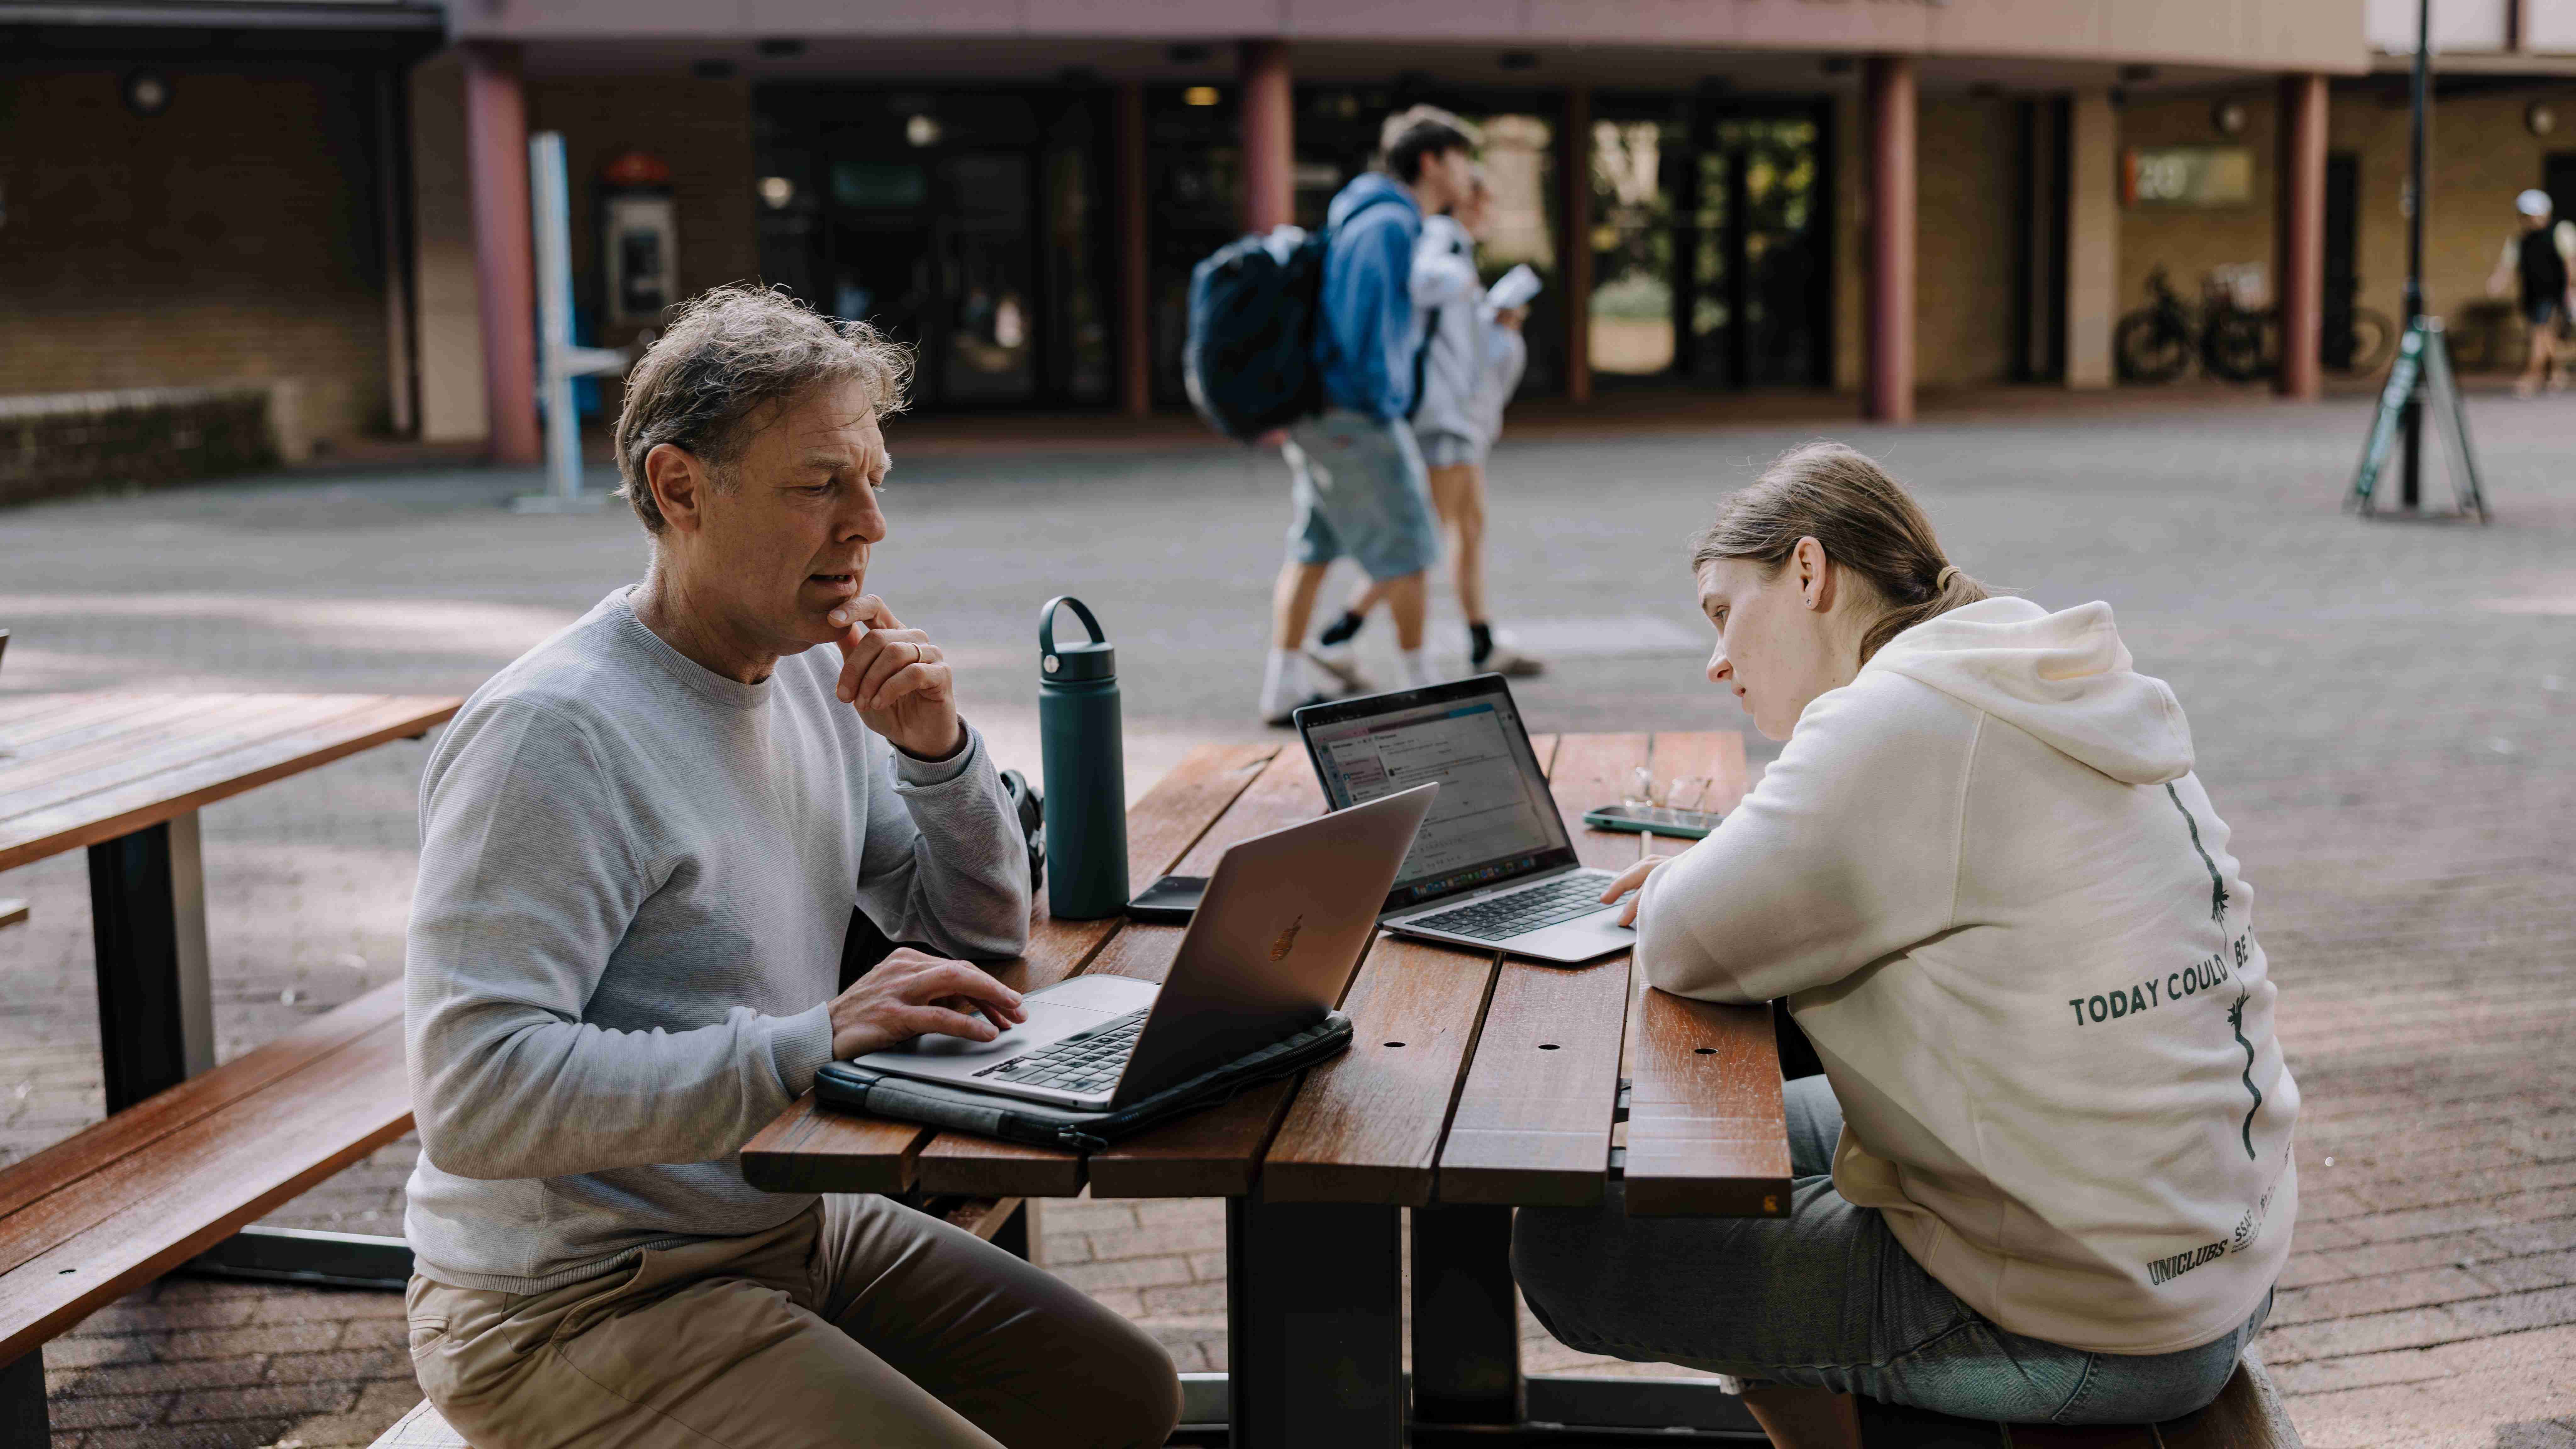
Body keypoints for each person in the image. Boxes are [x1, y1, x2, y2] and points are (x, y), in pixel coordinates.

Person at [401, 285, 1180, 1449]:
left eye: (874, 481)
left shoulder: (811, 671)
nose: (866, 525)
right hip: (568, 1301)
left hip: (780, 1223)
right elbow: (474, 1095)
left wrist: (937, 756)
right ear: (679, 488)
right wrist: (806, 1041)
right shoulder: (552, 735)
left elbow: (966, 943)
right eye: (821, 484)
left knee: (1120, 1394)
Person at [1513, 443, 2299, 1445]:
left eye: (1721, 611)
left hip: (2088, 1321)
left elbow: (1680, 941)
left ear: (1809, 572)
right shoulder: (2029, 671)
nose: (1715, 660)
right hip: (2219, 1260)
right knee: (1704, 1132)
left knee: (1570, 1242)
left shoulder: (1896, 718)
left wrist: (1680, 877)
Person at [1258, 109, 1477, 726]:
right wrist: (1383, 402)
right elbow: (1362, 329)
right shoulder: (1387, 225)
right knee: (1410, 547)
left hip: (1324, 413)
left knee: (1314, 546)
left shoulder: (1369, 216)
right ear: (1431, 161)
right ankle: (1421, 691)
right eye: (1462, 159)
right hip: (1353, 414)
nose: (1470, 173)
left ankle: (1282, 686)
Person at [1313, 164, 1545, 682]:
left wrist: (1492, 317)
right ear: (1468, 201)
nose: (1492, 213)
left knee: (1469, 525)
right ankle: (1339, 632)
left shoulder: (1450, 245)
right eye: (1487, 201)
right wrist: (1471, 295)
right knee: (1424, 537)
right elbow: (1421, 290)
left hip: (1458, 416)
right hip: (1443, 415)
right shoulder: (1440, 239)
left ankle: (1481, 639)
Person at [2486, 188, 2575, 398]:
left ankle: (2532, 376)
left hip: (2556, 293)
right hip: (2533, 293)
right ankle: (2557, 373)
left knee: (2540, 333)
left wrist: (2570, 290)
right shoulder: (2521, 240)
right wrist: (2498, 282)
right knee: (2546, 335)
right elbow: (2507, 265)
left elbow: (2570, 261)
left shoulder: (2561, 231)